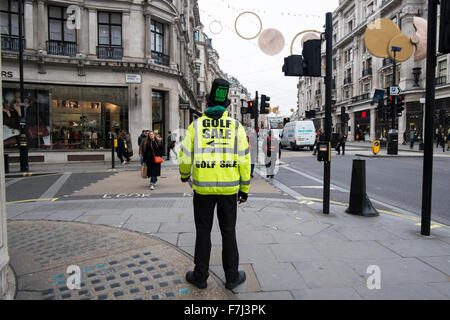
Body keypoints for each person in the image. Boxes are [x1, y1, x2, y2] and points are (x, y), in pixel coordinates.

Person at [178, 78, 250, 291]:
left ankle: (200, 276)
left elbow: (184, 155)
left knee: (203, 231)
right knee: (229, 232)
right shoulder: (236, 127)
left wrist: (184, 175)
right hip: (228, 189)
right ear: (227, 105)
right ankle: (232, 277)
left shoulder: (196, 125)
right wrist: (244, 189)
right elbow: (244, 160)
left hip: (203, 190)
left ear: (208, 103)